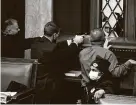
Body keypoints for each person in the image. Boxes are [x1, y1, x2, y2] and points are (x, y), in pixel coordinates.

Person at [27, 21, 83, 103]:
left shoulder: (36, 44)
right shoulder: (53, 49)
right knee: (71, 91)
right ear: (55, 34)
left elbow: (53, 46)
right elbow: (66, 53)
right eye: (58, 34)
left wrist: (68, 41)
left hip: (38, 83)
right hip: (51, 85)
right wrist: (75, 42)